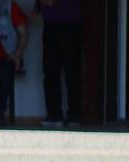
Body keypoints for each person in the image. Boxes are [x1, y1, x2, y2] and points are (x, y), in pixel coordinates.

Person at [36, 0, 81, 128]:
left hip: (70, 24)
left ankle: (74, 115)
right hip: (50, 24)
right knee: (50, 70)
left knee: (71, 70)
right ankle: (54, 114)